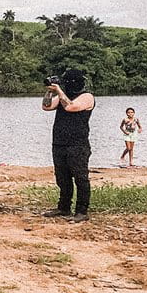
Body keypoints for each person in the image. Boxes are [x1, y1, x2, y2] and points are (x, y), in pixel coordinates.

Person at [41, 69, 95, 222]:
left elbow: (70, 107)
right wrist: (50, 92)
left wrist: (59, 91)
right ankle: (63, 207)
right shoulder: (62, 96)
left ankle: (82, 211)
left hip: (77, 144)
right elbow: (46, 106)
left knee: (80, 177)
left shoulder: (87, 97)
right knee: (62, 177)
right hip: (59, 142)